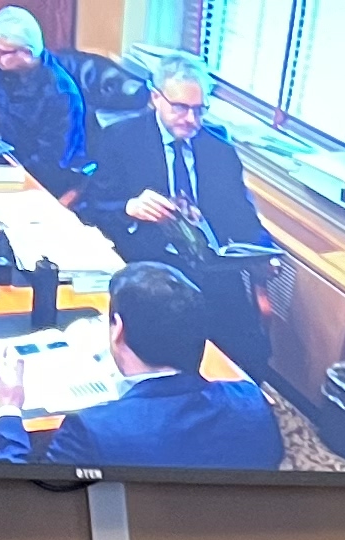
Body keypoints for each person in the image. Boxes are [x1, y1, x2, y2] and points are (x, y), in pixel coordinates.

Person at [82, 57, 284, 384]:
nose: (191, 119)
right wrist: (128, 208)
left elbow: (243, 219)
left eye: (200, 110)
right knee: (164, 351)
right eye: (180, 107)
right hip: (148, 268)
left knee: (246, 353)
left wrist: (264, 254)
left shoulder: (218, 150)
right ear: (155, 98)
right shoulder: (121, 138)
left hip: (210, 272)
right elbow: (91, 208)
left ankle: (234, 411)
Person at [0, 262, 279, 473]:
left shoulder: (92, 430)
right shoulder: (252, 400)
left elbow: (31, 503)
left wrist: (9, 411)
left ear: (118, 330)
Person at [0, 5, 88, 198]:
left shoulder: (61, 95)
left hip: (40, 179)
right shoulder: (6, 69)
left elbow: (50, 162)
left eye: (2, 51)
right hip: (6, 160)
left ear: (26, 53)